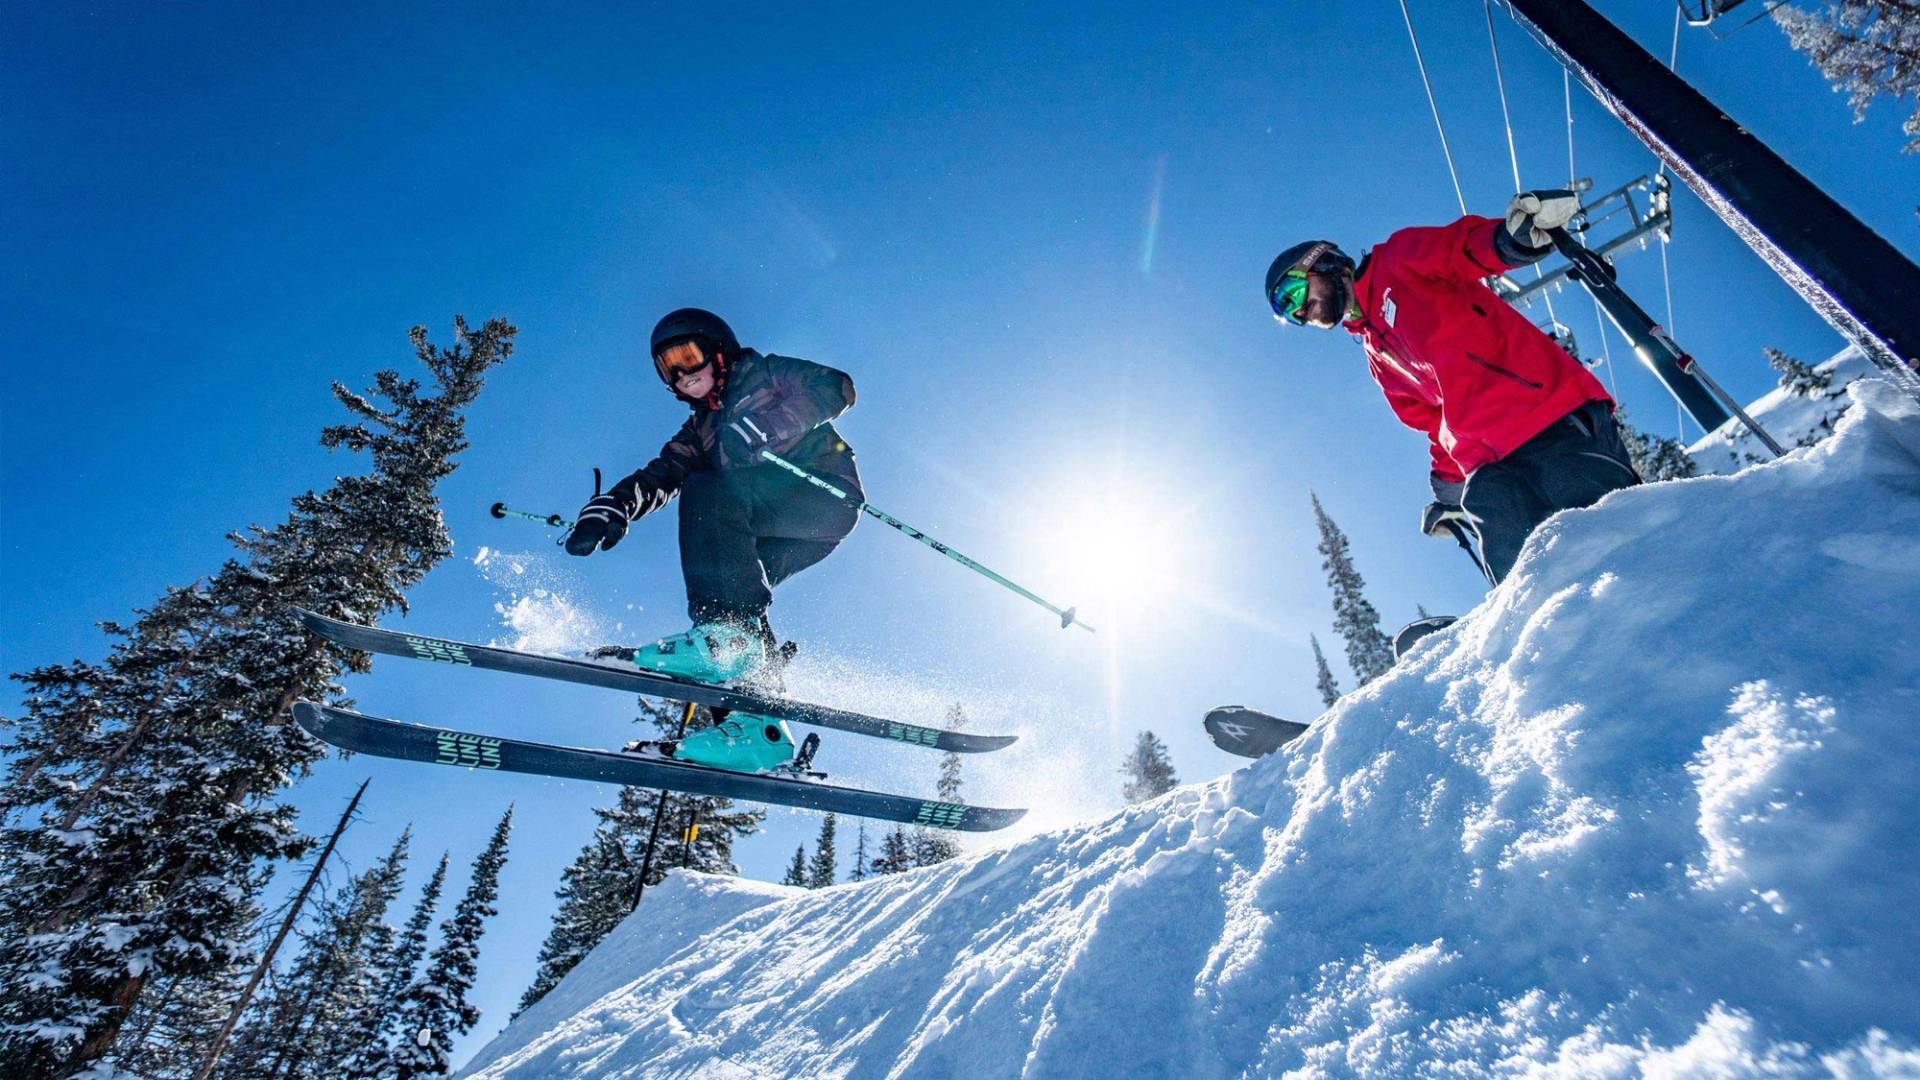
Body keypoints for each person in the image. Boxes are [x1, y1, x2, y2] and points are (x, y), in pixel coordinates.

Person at [1266, 192, 1641, 649]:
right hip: (1489, 469)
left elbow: (1463, 248)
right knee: (1524, 581)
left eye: (1294, 293)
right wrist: (1447, 492)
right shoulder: (1376, 353)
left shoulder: (1397, 262)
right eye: (1289, 313)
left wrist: (1513, 239)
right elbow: (1434, 422)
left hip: (1547, 418)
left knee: (1618, 544)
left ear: (1323, 263)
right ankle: (1554, 659)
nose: (1300, 311)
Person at [564, 307, 861, 771]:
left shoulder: (766, 374)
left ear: (717, 350)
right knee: (723, 577)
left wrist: (772, 424)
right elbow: (661, 474)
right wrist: (616, 506)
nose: (682, 373)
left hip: (820, 497)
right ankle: (758, 728)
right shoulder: (699, 430)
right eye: (668, 367)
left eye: (687, 355)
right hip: (762, 527)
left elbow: (837, 387)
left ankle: (732, 639)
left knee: (711, 503)